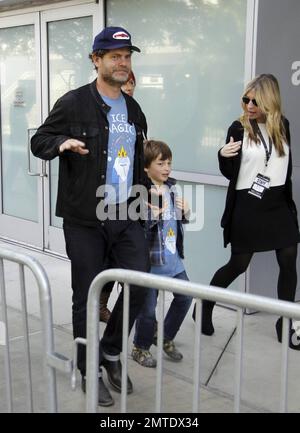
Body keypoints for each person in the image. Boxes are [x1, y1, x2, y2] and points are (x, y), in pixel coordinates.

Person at [31, 26, 150, 406]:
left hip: (126, 215)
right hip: (85, 219)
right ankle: (89, 366)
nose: (122, 62)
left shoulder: (134, 109)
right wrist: (60, 143)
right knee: (86, 296)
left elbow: (137, 163)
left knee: (139, 286)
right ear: (96, 60)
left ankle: (112, 353)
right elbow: (39, 140)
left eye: (127, 56)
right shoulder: (73, 103)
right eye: (114, 56)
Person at [193, 74, 300, 349]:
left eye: (255, 100)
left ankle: (285, 321)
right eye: (246, 99)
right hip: (248, 205)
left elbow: (282, 167)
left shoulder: (282, 126)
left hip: (277, 204)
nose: (249, 105)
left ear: (269, 101)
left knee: (288, 260)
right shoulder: (238, 128)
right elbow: (231, 173)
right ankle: (204, 304)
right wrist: (222, 155)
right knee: (238, 265)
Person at [131, 140, 193, 367]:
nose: (167, 168)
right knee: (147, 311)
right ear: (146, 167)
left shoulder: (171, 188)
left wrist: (185, 212)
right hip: (151, 264)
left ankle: (164, 335)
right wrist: (153, 214)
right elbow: (139, 229)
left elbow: (177, 221)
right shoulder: (140, 193)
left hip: (173, 259)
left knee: (186, 297)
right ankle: (140, 347)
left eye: (169, 163)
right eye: (161, 163)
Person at [99, 69, 138, 323]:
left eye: (133, 84)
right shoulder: (99, 109)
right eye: (127, 84)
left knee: (134, 269)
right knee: (106, 261)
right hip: (100, 201)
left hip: (127, 201)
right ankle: (101, 304)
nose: (129, 88)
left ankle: (136, 317)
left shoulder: (134, 111)